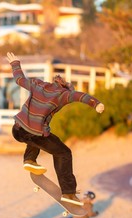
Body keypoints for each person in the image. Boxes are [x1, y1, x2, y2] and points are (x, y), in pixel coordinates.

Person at [7, 52, 105, 206]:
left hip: (17, 130)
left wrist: (15, 64)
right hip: (34, 134)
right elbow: (81, 96)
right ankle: (69, 193)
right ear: (66, 88)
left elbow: (19, 79)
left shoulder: (37, 84)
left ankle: (30, 159)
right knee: (63, 152)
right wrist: (96, 104)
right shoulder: (63, 95)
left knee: (35, 134)